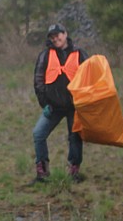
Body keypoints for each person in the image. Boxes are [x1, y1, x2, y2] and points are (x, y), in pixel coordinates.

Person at [31, 23, 89, 183]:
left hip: (74, 107)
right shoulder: (45, 55)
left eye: (58, 35)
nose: (55, 39)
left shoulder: (79, 53)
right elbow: (38, 80)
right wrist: (44, 104)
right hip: (53, 107)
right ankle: (42, 173)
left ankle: (74, 172)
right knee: (38, 134)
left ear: (65, 34)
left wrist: (84, 103)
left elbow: (89, 76)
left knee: (75, 137)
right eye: (52, 37)